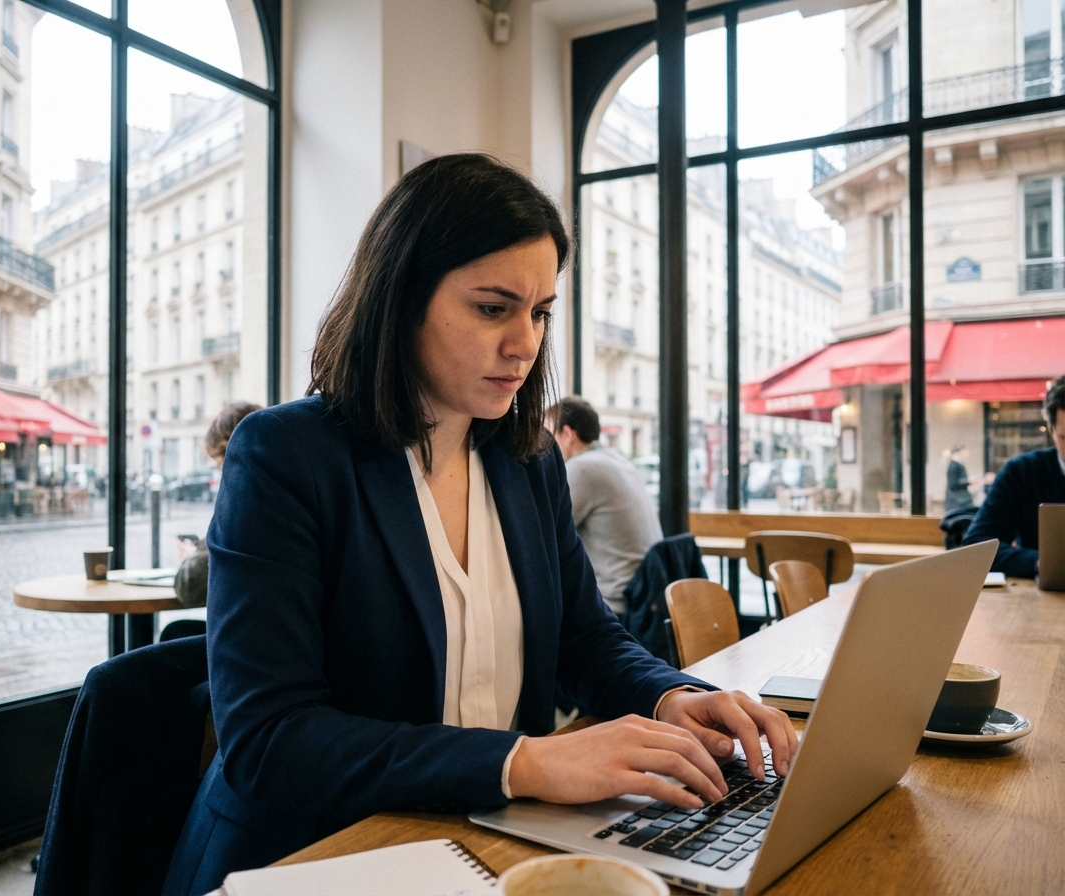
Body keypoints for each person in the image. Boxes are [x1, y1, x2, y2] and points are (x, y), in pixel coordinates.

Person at [163, 154, 796, 894]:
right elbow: (269, 740)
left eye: (540, 312)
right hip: (313, 854)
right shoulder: (285, 456)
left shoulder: (525, 460)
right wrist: (523, 762)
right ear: (400, 301)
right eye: (493, 309)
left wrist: (672, 697)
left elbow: (584, 639)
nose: (525, 343)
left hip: (487, 842)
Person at [547, 396, 662, 616]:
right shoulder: (615, 461)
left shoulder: (582, 468)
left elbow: (546, 533)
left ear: (567, 434)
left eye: (548, 434)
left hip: (616, 603)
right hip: (645, 594)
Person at [962, 375, 1065, 577]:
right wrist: (1038, 563)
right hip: (1042, 600)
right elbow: (976, 546)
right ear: (1051, 430)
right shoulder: (1022, 472)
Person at [173, 400, 262, 608]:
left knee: (174, 632)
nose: (220, 472)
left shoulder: (245, 501)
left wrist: (191, 557)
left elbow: (190, 586)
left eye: (219, 464)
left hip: (255, 634)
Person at [944, 445, 975, 512]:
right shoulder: (954, 465)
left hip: (959, 499)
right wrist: (968, 482)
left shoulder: (957, 465)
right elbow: (953, 484)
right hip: (957, 500)